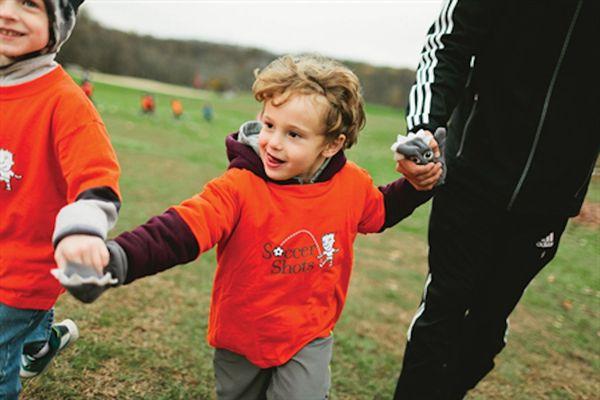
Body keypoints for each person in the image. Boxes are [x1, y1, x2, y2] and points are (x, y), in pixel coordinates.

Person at [59, 54, 440, 399]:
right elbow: (182, 229)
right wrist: (118, 259)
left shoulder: (351, 185)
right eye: (269, 125)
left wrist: (419, 185)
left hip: (308, 335)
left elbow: (381, 211)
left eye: (294, 134)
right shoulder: (240, 186)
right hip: (240, 339)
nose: (272, 143)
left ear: (331, 145)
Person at [393, 0, 599, 398]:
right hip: (471, 171)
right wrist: (425, 127)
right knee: (443, 308)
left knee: (486, 330)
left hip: (552, 195)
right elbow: (448, 43)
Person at [0, 0, 121, 398]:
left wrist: (83, 231)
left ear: (58, 25)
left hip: (20, 272)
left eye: (29, 4)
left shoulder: (65, 103)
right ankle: (38, 343)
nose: (7, 12)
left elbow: (96, 177)